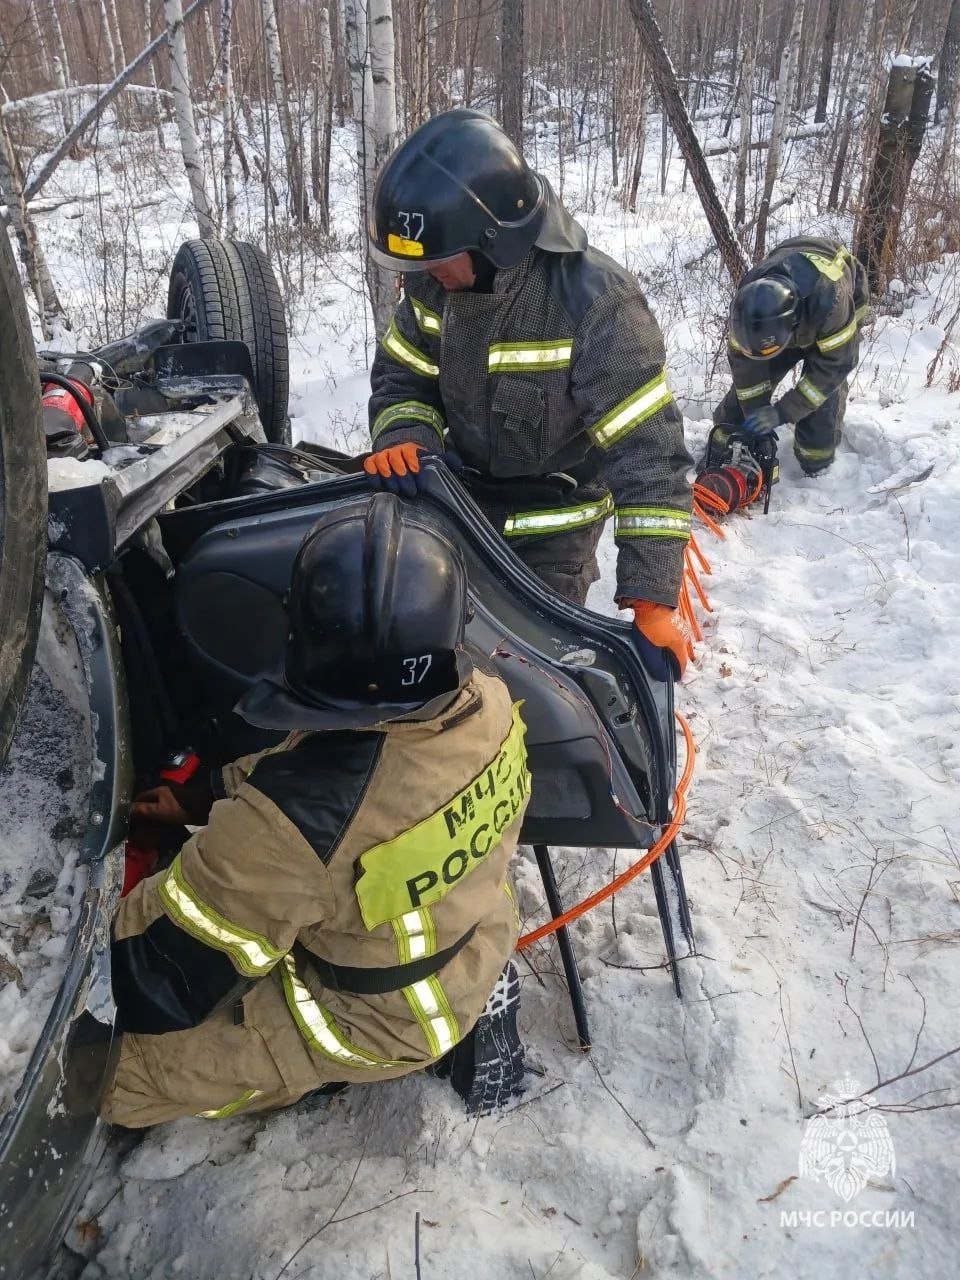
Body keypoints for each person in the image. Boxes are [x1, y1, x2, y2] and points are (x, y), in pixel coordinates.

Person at [101, 493, 530, 1127]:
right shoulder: (485, 698)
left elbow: (153, 981)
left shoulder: (293, 824)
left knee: (105, 1079)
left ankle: (316, 1071)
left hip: (371, 1023)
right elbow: (352, 789)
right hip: (474, 939)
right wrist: (202, 799)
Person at [362, 108, 694, 678]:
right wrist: (405, 433)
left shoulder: (596, 304)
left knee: (524, 681)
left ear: (494, 237)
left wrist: (651, 598)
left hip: (553, 535)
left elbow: (649, 456)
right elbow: (402, 376)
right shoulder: (432, 286)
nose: (426, 274)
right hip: (456, 510)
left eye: (439, 260)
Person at [713, 237, 869, 476]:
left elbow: (834, 366)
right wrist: (754, 412)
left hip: (838, 302)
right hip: (782, 317)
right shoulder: (747, 312)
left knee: (821, 402)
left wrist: (783, 411)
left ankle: (817, 467)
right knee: (737, 410)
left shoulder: (831, 302)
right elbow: (747, 374)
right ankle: (722, 447)